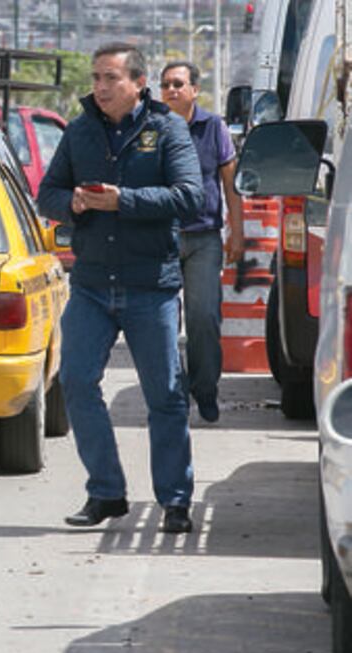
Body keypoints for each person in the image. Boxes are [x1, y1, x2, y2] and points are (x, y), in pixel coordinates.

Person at [37, 43, 204, 534]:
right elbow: (48, 194)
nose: (101, 87)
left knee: (166, 397)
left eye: (111, 78)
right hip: (90, 285)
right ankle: (106, 492)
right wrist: (77, 204)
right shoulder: (81, 130)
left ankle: (175, 501)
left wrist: (122, 201)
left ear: (137, 83)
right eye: (96, 78)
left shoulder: (166, 129)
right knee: (75, 381)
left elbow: (190, 197)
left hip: (149, 285)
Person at [160, 61, 244, 423]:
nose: (171, 90)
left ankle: (205, 390)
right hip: (159, 237)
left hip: (204, 239)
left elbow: (231, 184)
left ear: (195, 89)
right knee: (161, 320)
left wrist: (236, 232)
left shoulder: (214, 127)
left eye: (179, 84)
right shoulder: (152, 128)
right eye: (165, 85)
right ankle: (173, 393)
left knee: (204, 318)